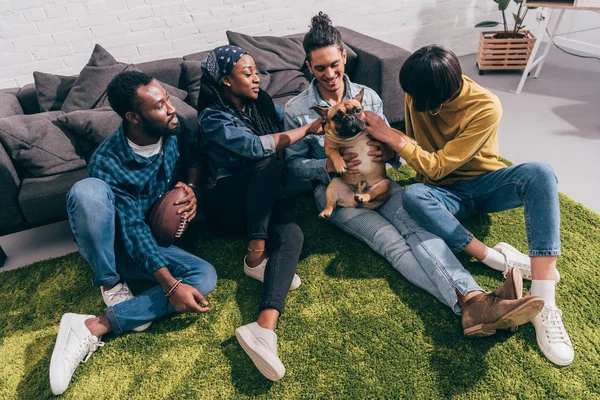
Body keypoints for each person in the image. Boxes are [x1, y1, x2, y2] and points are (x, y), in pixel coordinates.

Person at [284, 12, 544, 341]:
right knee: (391, 243)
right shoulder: (295, 110)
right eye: (320, 68)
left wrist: (389, 154)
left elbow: (395, 153)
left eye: (335, 64)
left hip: (380, 182)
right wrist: (327, 166)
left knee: (417, 228)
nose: (330, 74)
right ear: (309, 67)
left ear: (344, 57)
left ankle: (475, 300)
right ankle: (471, 302)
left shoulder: (369, 97)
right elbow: (292, 166)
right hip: (337, 192)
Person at [363, 45, 573, 366]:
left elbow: (437, 165)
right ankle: (494, 258)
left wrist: (393, 138)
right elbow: (421, 154)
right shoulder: (418, 95)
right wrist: (392, 145)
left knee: (541, 173)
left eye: (424, 102)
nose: (415, 105)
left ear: (445, 95)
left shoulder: (486, 106)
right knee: (414, 196)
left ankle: (544, 300)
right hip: (442, 195)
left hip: (484, 186)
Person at [49, 71, 218, 395]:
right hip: (111, 242)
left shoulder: (172, 127)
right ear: (133, 117)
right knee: (89, 191)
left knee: (204, 276)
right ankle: (110, 283)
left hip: (152, 237)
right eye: (159, 105)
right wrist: (169, 287)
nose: (170, 108)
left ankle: (93, 325)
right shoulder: (108, 160)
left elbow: (194, 154)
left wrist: (192, 187)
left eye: (166, 99)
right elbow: (131, 227)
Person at [197, 46, 323, 381]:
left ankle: (263, 327)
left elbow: (289, 118)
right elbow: (256, 147)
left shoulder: (260, 103)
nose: (257, 78)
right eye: (247, 72)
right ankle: (256, 254)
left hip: (260, 201)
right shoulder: (212, 116)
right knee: (264, 159)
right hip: (226, 206)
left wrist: (323, 117)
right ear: (226, 80)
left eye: (257, 71)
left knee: (293, 234)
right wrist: (307, 130)